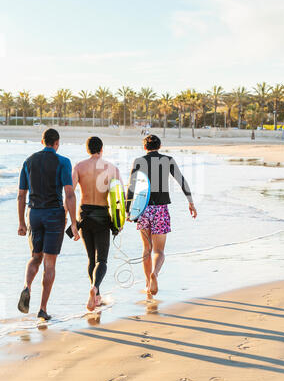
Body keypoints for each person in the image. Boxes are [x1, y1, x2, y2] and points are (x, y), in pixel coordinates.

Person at [17, 129, 80, 321]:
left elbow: (21, 195)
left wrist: (21, 223)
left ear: (42, 141)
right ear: (57, 143)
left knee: (35, 257)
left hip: (34, 214)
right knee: (50, 264)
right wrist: (74, 223)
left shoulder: (28, 161)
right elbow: (69, 194)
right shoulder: (63, 162)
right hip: (54, 214)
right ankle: (42, 309)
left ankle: (27, 286)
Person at [126, 134, 197, 297]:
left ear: (145, 147)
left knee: (146, 249)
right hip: (160, 210)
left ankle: (147, 283)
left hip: (143, 209)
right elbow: (182, 180)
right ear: (160, 146)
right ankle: (155, 275)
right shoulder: (168, 160)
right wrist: (190, 202)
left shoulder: (139, 161)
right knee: (159, 251)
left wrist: (128, 210)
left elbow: (131, 186)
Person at [72, 136, 123, 311]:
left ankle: (97, 295)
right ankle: (95, 289)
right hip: (102, 215)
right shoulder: (112, 168)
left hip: (84, 215)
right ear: (102, 149)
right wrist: (119, 222)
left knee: (90, 259)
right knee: (101, 259)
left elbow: (70, 194)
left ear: (87, 149)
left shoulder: (79, 167)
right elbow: (120, 199)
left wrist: (72, 223)